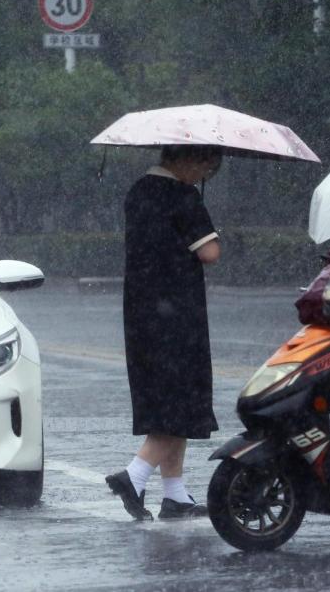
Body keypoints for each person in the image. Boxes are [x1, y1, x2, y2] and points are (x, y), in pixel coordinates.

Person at [106, 144, 223, 520]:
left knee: (165, 399)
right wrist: (203, 219)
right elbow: (210, 253)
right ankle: (134, 475)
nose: (204, 175)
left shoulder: (137, 190)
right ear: (186, 159)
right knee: (182, 400)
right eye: (205, 166)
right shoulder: (182, 195)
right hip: (178, 314)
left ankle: (175, 495)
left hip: (142, 310)